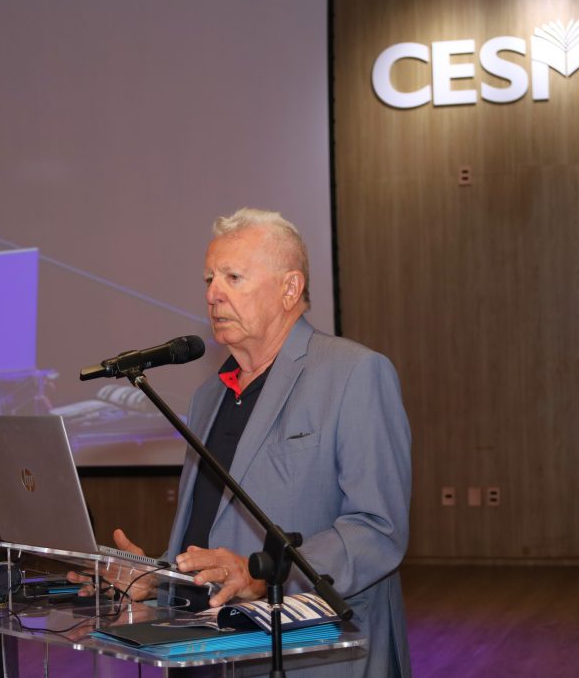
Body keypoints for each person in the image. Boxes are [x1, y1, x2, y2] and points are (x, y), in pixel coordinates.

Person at [75, 208, 413, 676]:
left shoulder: (353, 373)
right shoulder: (209, 396)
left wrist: (260, 574)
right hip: (205, 648)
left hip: (311, 653)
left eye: (233, 277)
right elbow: (213, 534)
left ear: (290, 288)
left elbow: (377, 529)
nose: (213, 294)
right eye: (209, 279)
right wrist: (157, 577)